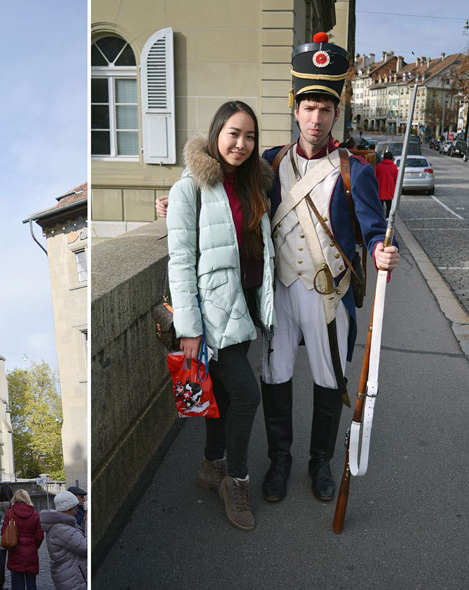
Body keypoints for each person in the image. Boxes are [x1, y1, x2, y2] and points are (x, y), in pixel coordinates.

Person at [156, 34, 400, 506]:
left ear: (335, 114)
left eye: (325, 109)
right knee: (275, 378)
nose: (316, 117)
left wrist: (380, 253)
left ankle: (320, 463)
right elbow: (223, 194)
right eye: (308, 107)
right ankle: (281, 460)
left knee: (331, 383)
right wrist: (173, 202)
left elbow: (373, 231)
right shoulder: (269, 164)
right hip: (280, 295)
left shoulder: (356, 171)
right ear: (295, 110)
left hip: (330, 296)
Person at [166, 100, 275, 531]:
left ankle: (212, 464)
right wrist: (188, 330)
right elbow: (180, 260)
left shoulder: (254, 184)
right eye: (234, 133)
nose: (242, 143)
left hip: (245, 304)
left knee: (226, 394)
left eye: (250, 136)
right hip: (212, 314)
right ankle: (236, 478)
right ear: (216, 134)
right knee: (247, 394)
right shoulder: (189, 187)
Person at [40, 492, 87, 590]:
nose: (76, 512)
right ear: (67, 509)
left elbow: (78, 536)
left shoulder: (61, 524)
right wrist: (87, 522)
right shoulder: (62, 529)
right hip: (72, 578)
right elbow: (85, 548)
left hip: (68, 575)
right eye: (75, 509)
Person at [1, 489, 44, 590]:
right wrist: (34, 546)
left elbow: (4, 532)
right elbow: (40, 535)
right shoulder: (35, 514)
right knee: (31, 583)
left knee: (17, 584)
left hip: (15, 551)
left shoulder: (10, 513)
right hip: (31, 552)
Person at [376, 151, 398, 219]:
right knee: (389, 205)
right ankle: (387, 217)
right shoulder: (394, 167)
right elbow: (396, 179)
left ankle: (380, 217)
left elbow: (375, 177)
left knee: (380, 205)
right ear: (391, 158)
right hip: (389, 189)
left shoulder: (379, 166)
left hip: (380, 189)